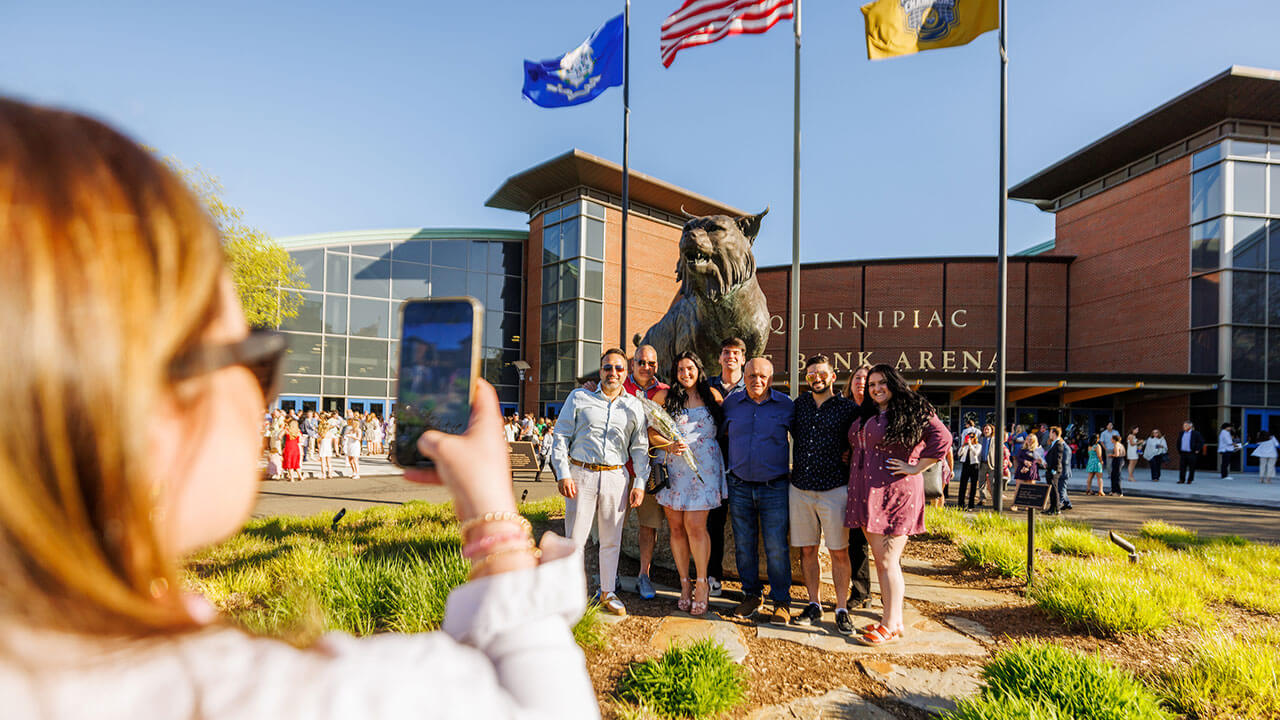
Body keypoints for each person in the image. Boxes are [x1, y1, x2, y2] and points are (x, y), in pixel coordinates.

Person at [0, 100, 597, 718]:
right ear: (145, 415)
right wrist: (495, 528)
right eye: (256, 354)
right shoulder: (276, 696)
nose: (265, 395)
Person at [846, 364, 951, 646]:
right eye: (871, 385)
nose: (877, 389)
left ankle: (890, 624)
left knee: (889, 560)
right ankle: (893, 620)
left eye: (882, 383)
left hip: (896, 494)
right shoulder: (871, 413)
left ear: (893, 382)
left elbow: (943, 438)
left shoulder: (914, 408)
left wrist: (916, 467)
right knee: (881, 561)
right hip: (867, 493)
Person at [551, 348, 649, 616]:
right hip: (581, 475)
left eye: (618, 368)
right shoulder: (579, 397)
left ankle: (607, 591)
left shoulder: (633, 406)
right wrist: (563, 473)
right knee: (575, 539)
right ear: (600, 370)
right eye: (608, 368)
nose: (613, 373)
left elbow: (640, 447)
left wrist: (640, 482)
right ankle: (572, 595)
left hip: (616, 477)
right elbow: (560, 436)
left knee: (611, 540)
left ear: (625, 373)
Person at [647, 352, 726, 617]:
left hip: (704, 470)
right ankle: (684, 583)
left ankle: (702, 583)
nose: (685, 373)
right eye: (680, 369)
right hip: (674, 470)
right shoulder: (664, 398)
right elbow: (650, 432)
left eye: (690, 368)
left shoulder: (713, 396)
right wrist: (668, 444)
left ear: (698, 369)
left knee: (696, 526)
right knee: (677, 527)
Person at [788, 355, 861, 635]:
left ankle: (841, 609)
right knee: (807, 550)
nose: (816, 378)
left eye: (821, 373)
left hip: (834, 489)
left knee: (838, 552)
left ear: (832, 376)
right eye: (810, 375)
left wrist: (851, 453)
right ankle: (814, 603)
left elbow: (860, 442)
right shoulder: (799, 406)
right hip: (801, 488)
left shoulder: (847, 409)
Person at [722, 357, 794, 624]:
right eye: (751, 375)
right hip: (739, 485)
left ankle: (781, 601)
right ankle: (751, 595)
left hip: (774, 487)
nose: (757, 381)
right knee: (744, 545)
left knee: (776, 546)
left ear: (771, 379)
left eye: (762, 376)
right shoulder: (732, 404)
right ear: (744, 375)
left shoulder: (785, 405)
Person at [623, 344, 670, 602]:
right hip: (618, 467)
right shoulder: (619, 386)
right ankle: (610, 575)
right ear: (633, 364)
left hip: (648, 469)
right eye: (641, 362)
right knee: (611, 522)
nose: (646, 367)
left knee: (648, 525)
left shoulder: (664, 392)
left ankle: (644, 574)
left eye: (651, 363)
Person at [705, 336, 747, 598]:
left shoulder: (754, 386)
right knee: (713, 525)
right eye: (726, 352)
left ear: (743, 358)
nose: (730, 357)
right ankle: (712, 576)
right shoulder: (706, 386)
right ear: (719, 358)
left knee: (745, 526)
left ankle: (749, 583)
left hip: (744, 467)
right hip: (712, 466)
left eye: (736, 353)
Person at [839, 364, 875, 611]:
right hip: (849, 480)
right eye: (857, 378)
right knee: (856, 539)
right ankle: (861, 591)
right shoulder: (845, 410)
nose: (861, 381)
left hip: (877, 481)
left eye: (867, 378)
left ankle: (892, 593)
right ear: (850, 383)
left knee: (885, 541)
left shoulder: (880, 410)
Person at [1043, 426, 1072, 514]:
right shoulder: (1055, 443)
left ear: (1054, 433)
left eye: (1050, 433)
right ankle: (1053, 508)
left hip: (1055, 471)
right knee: (1053, 491)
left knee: (1056, 490)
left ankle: (1056, 509)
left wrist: (1053, 470)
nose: (1049, 435)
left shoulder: (1059, 444)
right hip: (1051, 469)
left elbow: (1058, 459)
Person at [975, 423, 1002, 507]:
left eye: (988, 429)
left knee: (992, 483)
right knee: (981, 482)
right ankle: (982, 499)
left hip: (992, 464)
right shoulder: (980, 439)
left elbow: (1000, 452)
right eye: (985, 429)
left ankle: (995, 501)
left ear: (992, 430)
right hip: (982, 463)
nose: (986, 431)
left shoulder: (996, 439)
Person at [956, 432, 982, 510]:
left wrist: (970, 445)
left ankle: (971, 505)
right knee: (962, 485)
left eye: (972, 437)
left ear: (975, 438)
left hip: (974, 466)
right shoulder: (965, 446)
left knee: (973, 486)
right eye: (968, 437)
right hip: (965, 465)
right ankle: (960, 504)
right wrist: (963, 445)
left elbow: (976, 453)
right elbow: (959, 453)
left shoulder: (978, 445)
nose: (970, 439)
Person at [317, 413, 338, 478]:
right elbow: (335, 438)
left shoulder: (321, 434)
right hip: (328, 448)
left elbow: (318, 442)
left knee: (323, 462)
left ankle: (323, 474)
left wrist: (318, 449)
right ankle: (330, 474)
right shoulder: (330, 433)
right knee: (329, 462)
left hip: (322, 448)